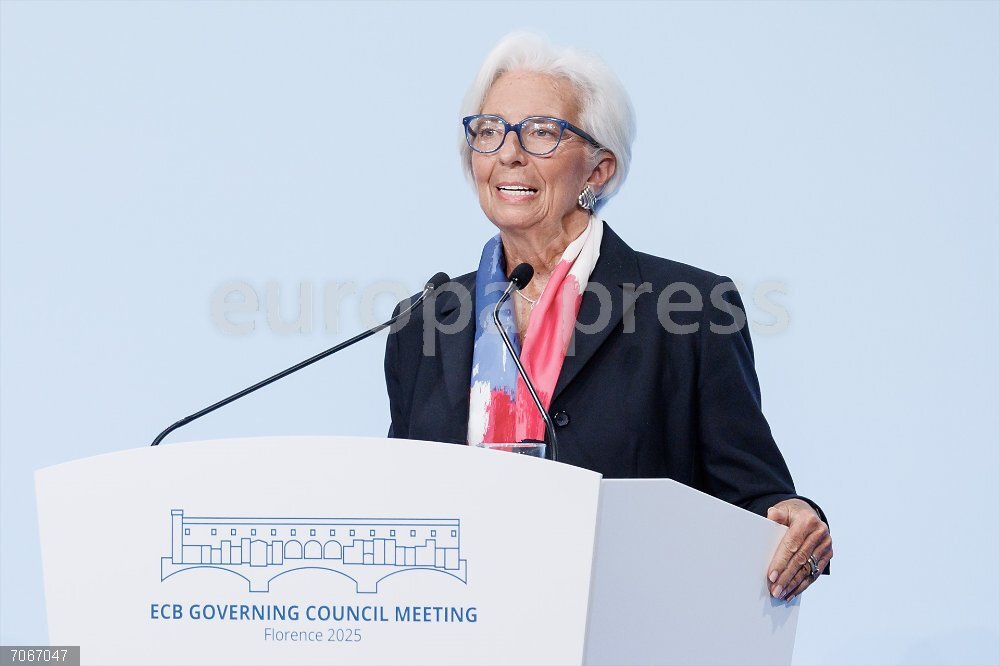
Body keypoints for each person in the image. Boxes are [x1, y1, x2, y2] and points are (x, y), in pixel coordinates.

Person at [384, 32, 832, 601]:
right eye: (489, 131)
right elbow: (396, 502)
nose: (508, 153)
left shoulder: (691, 310)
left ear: (599, 169)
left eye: (541, 132)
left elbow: (754, 495)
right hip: (462, 625)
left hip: (627, 621)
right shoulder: (423, 323)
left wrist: (794, 518)